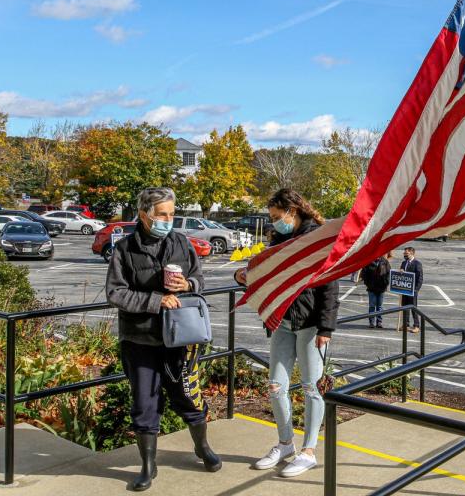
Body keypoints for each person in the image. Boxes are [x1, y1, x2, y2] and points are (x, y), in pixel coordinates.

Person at [106, 187, 220, 492]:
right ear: (144, 215)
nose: (168, 220)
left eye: (171, 214)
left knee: (187, 395)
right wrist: (155, 301)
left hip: (180, 337)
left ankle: (202, 446)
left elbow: (200, 280)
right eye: (162, 215)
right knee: (145, 403)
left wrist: (188, 284)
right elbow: (115, 293)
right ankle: (147, 465)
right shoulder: (125, 249)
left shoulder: (181, 242)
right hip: (139, 339)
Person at [234, 189, 340, 478]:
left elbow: (330, 286)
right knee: (275, 386)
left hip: (311, 325)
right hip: (282, 322)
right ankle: (285, 444)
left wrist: (326, 327)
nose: (273, 222)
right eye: (271, 218)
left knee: (311, 386)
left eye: (277, 217)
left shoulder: (316, 237)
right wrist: (241, 276)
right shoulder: (277, 239)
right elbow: (266, 275)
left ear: (292, 211)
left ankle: (309, 451)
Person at [361, 252, 391, 328]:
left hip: (381, 288)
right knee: (372, 306)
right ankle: (371, 322)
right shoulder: (368, 262)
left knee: (379, 306)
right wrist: (368, 284)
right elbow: (364, 274)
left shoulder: (385, 262)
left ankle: (379, 322)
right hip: (372, 288)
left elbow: (388, 273)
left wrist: (386, 283)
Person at [399, 247, 424, 332]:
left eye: (406, 254)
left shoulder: (417, 264)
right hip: (404, 289)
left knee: (413, 308)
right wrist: (401, 271)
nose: (405, 255)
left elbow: (420, 278)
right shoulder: (403, 263)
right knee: (405, 308)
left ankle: (416, 326)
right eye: (404, 254)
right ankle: (405, 324)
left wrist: (416, 290)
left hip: (412, 290)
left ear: (412, 253)